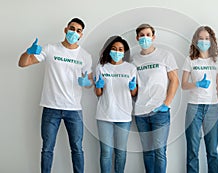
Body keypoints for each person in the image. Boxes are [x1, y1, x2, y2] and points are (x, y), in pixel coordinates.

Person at [18, 18, 93, 173]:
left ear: (81, 35)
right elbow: (23, 63)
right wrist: (28, 52)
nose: (74, 32)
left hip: (74, 109)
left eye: (78, 31)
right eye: (72, 29)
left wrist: (86, 82)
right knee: (47, 149)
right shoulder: (51, 49)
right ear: (65, 29)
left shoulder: (85, 56)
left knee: (77, 149)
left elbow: (89, 83)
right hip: (51, 107)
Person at [131, 23, 179, 173]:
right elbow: (136, 88)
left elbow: (174, 80)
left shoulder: (165, 55)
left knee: (160, 152)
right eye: (142, 35)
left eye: (148, 35)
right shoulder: (134, 60)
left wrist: (166, 103)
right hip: (140, 112)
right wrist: (132, 88)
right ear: (137, 38)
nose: (145, 38)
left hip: (160, 111)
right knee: (148, 152)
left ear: (153, 37)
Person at [181, 26, 218, 173]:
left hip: (213, 108)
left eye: (207, 38)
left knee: (212, 151)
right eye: (201, 38)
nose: (204, 41)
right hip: (194, 107)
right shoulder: (190, 60)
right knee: (192, 150)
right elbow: (183, 85)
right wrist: (197, 84)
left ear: (211, 41)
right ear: (196, 41)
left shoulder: (216, 61)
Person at [94, 36, 137, 173]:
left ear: (124, 52)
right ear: (109, 50)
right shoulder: (101, 67)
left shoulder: (131, 68)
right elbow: (98, 93)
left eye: (120, 49)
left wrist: (132, 87)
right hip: (104, 115)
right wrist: (99, 86)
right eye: (114, 49)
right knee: (106, 151)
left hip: (124, 116)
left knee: (121, 151)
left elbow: (134, 93)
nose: (117, 52)